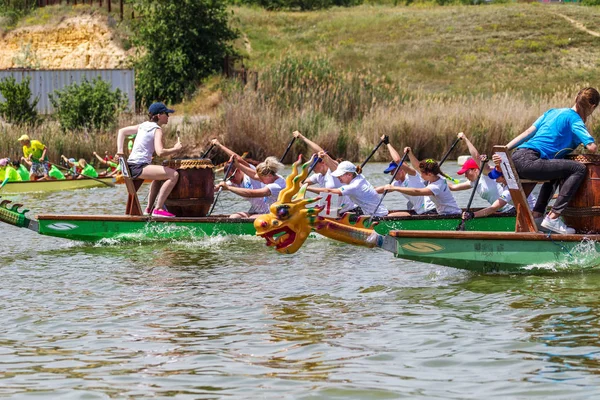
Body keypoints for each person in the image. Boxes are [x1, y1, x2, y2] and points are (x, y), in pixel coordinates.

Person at [506, 87, 599, 234]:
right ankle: (553, 217)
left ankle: (538, 216)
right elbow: (592, 147)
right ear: (593, 107)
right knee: (578, 168)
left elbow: (527, 133)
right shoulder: (575, 119)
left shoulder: (552, 112)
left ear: (575, 98)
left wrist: (504, 149)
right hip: (531, 162)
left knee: (558, 167)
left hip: (517, 157)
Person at [117, 102, 182, 217]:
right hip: (138, 167)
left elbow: (121, 131)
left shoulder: (142, 125)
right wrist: (175, 149)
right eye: (166, 113)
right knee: (174, 175)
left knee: (158, 178)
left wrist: (120, 150)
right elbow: (160, 152)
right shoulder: (157, 129)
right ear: (159, 115)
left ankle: (149, 209)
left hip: (131, 166)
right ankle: (158, 209)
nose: (168, 116)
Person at [382, 148, 461, 215]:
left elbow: (417, 191)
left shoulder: (436, 186)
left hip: (452, 214)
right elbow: (417, 166)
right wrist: (410, 154)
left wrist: (395, 188)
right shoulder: (435, 177)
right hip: (443, 214)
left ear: (429, 174)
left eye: (422, 173)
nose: (420, 175)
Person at [293, 130, 356, 214]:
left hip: (348, 213)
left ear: (323, 162)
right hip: (331, 213)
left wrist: (302, 137)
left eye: (314, 165)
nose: (313, 168)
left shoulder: (335, 170)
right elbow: (299, 183)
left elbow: (321, 152)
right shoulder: (318, 176)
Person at [449, 132, 513, 214]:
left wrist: (465, 139)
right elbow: (453, 187)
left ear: (475, 170)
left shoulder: (486, 174)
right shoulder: (472, 182)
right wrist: (438, 176)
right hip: (499, 210)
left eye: (466, 172)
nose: (465, 176)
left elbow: (476, 156)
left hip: (511, 210)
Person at [462, 155, 537, 220]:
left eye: (496, 176)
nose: (494, 178)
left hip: (532, 215)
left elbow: (493, 208)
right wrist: (483, 161)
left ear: (504, 177)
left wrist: (473, 215)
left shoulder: (510, 190)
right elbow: (485, 169)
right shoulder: (505, 184)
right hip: (523, 212)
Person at [375, 137, 436, 217]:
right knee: (389, 216)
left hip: (430, 210)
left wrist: (387, 143)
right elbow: (380, 189)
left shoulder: (412, 175)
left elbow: (397, 160)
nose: (391, 174)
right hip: (420, 211)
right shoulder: (397, 184)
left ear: (401, 169)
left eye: (393, 171)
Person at [216, 156, 287, 219]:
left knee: (252, 218)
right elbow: (253, 174)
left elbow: (251, 193)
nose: (260, 180)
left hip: (276, 215)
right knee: (234, 217)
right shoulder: (270, 177)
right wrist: (237, 164)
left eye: (261, 178)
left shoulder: (276, 186)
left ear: (269, 175)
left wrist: (229, 188)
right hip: (261, 212)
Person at [309, 160, 388, 217]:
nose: (338, 178)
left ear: (349, 175)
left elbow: (329, 191)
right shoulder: (360, 177)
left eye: (340, 175)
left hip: (378, 217)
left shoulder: (354, 186)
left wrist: (306, 187)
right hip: (373, 214)